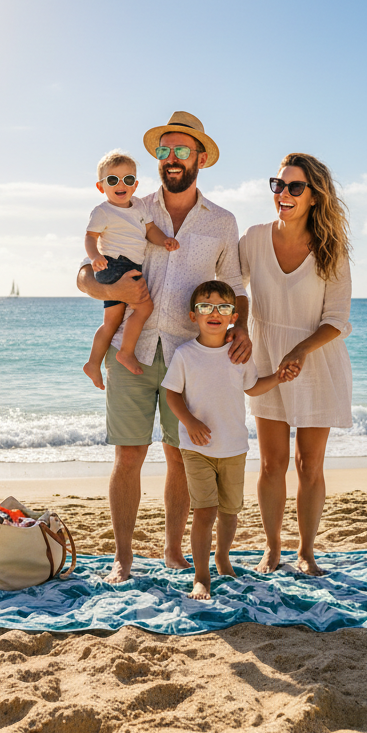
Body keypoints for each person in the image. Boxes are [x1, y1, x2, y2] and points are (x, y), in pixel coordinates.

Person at [75, 111, 251, 583]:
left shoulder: (223, 222)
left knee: (180, 456)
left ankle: (174, 551)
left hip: (188, 354)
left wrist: (243, 330)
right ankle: (124, 558)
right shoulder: (130, 204)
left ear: (200, 158)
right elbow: (83, 275)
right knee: (128, 455)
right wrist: (115, 293)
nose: (171, 159)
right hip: (130, 350)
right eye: (164, 151)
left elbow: (234, 286)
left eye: (181, 151)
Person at [240, 152, 352, 575]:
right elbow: (236, 283)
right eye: (278, 185)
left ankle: (306, 551)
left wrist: (301, 351)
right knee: (271, 463)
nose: (283, 194)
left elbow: (336, 320)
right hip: (268, 358)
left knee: (309, 464)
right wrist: (240, 328)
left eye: (294, 187)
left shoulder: (330, 250)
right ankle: (273, 548)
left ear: (314, 196)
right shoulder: (253, 238)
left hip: (315, 362)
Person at [162, 281, 286, 599]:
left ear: (233, 316)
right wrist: (189, 422)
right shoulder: (185, 354)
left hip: (233, 446)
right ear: (193, 315)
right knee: (205, 510)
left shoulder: (239, 354)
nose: (214, 312)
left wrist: (278, 377)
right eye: (206, 306)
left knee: (230, 512)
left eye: (223, 307)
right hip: (197, 448)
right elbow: (171, 393)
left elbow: (253, 387)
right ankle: (201, 577)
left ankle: (222, 556)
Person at [83, 149, 180, 388]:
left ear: (135, 185)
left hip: (130, 264)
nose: (121, 184)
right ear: (101, 187)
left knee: (112, 322)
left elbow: (150, 230)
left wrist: (164, 239)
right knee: (144, 307)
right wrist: (94, 256)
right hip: (114, 264)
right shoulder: (102, 211)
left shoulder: (139, 207)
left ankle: (93, 363)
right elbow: (90, 236)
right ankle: (124, 352)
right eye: (112, 180)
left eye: (127, 179)